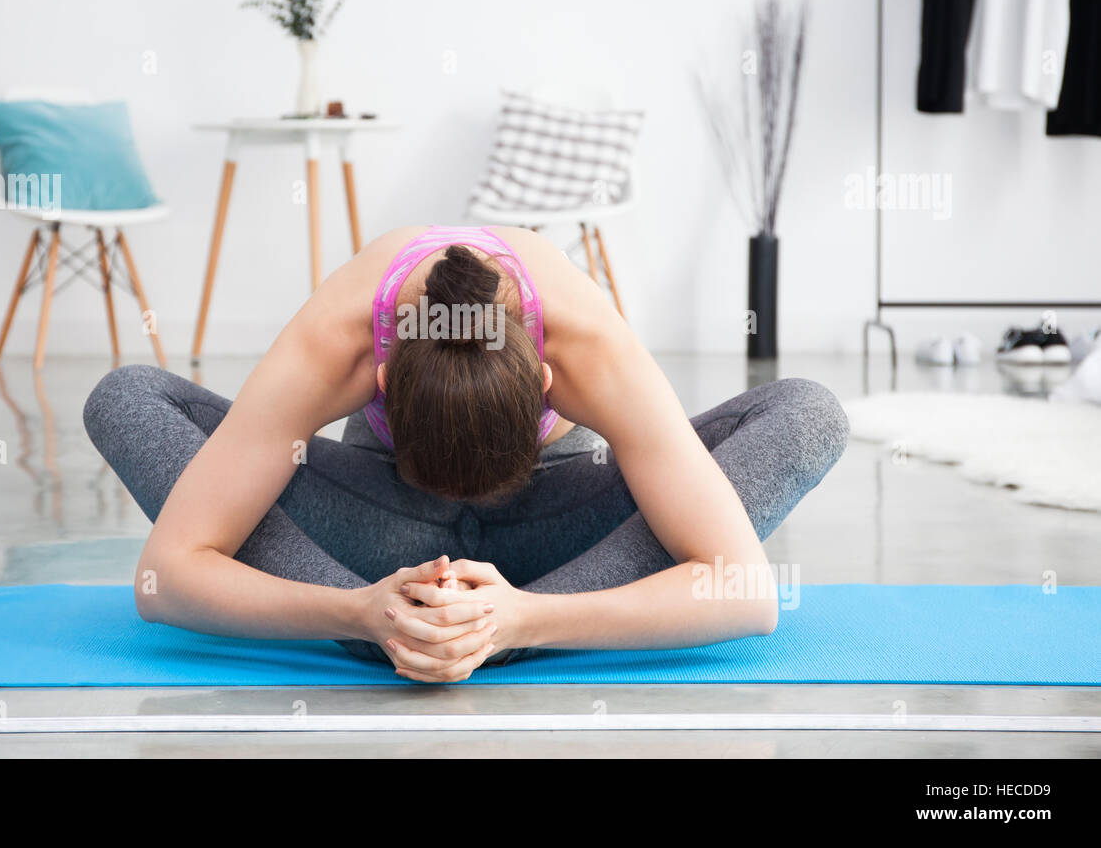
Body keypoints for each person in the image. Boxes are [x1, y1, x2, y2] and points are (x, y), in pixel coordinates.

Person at [84, 225, 849, 682]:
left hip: (552, 530)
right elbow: (166, 579)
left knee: (808, 411)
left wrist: (518, 620)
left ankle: (472, 631)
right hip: (380, 532)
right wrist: (357, 609)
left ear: (546, 381)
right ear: (384, 379)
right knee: (125, 396)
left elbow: (745, 594)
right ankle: (406, 626)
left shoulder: (586, 343)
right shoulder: (337, 340)